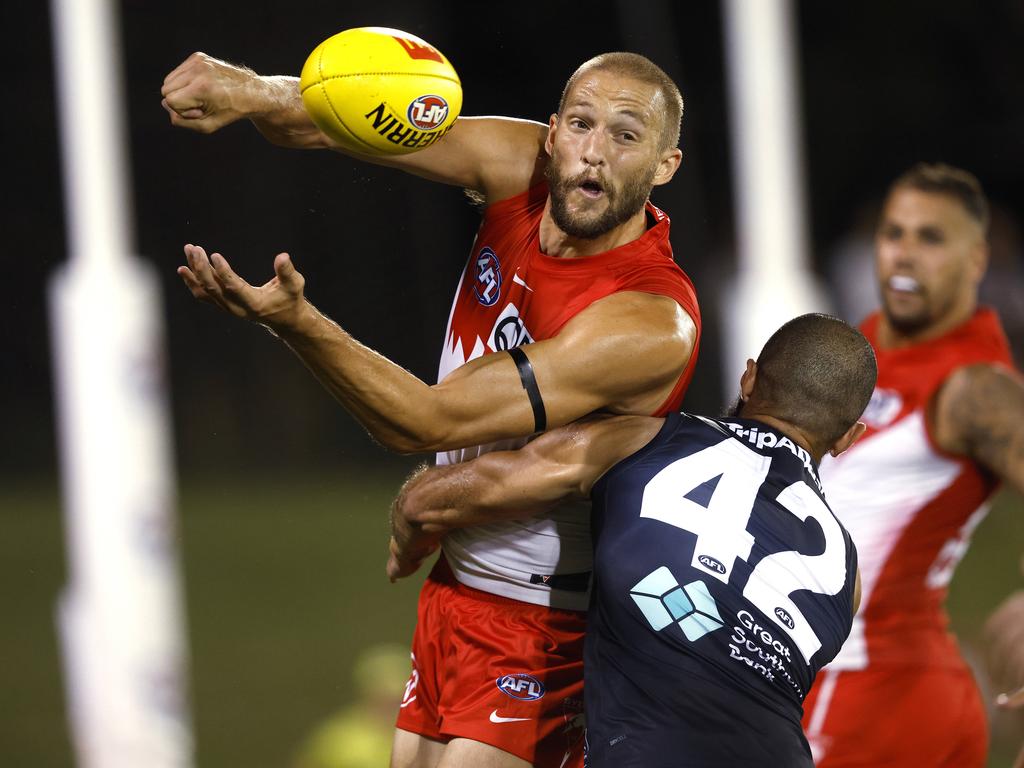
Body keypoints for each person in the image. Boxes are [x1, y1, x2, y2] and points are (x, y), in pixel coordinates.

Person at [169, 51, 701, 768]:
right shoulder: (521, 169)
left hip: (550, 627)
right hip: (457, 589)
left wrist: (296, 323)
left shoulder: (645, 320)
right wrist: (250, 90)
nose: (594, 151)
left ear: (664, 166)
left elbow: (423, 421)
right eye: (581, 123)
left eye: (626, 135)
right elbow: (344, 117)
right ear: (551, 133)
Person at [385, 313, 876, 767]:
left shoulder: (638, 442)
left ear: (748, 379)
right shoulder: (847, 576)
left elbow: (433, 501)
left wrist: (410, 537)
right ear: (848, 437)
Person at [800, 163, 1024, 767]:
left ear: (976, 259)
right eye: (893, 233)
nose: (904, 254)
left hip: (873, 685)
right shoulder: (864, 346)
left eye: (931, 238)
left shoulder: (976, 387)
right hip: (841, 680)